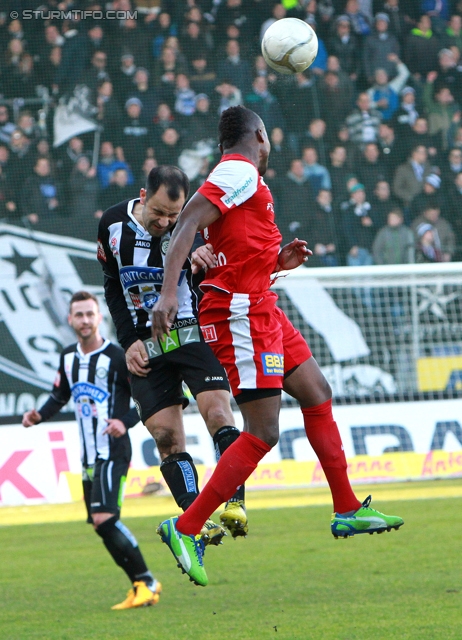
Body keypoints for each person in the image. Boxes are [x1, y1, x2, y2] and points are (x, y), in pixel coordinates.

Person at [152, 106, 404, 587]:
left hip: (262, 304)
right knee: (263, 431)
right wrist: (168, 293)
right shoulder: (238, 171)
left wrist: (276, 262)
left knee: (316, 390)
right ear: (259, 137)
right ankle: (184, 527)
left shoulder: (240, 180)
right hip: (240, 315)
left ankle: (347, 507)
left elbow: (231, 254)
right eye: (268, 142)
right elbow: (184, 226)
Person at [96, 166, 248, 541]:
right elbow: (113, 286)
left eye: (173, 216)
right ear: (144, 196)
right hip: (145, 345)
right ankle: (198, 521)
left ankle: (234, 504)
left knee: (217, 412)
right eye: (158, 213)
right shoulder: (112, 224)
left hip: (191, 333)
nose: (165, 222)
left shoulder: (195, 225)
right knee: (165, 436)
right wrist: (128, 340)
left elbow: (211, 278)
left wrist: (200, 266)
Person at [22, 291, 161, 610]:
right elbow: (60, 394)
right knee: (101, 524)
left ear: (100, 318)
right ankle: (140, 584)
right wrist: (39, 415)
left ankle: (148, 581)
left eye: (89, 314)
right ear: (70, 320)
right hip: (87, 453)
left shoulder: (117, 356)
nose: (84, 320)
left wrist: (124, 422)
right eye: (78, 315)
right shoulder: (68, 357)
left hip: (113, 449)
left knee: (105, 518)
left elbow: (147, 398)